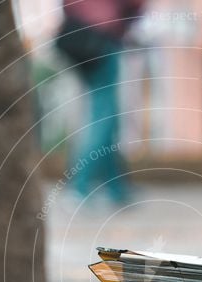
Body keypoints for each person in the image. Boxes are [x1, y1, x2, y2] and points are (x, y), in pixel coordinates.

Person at [57, 0, 146, 204]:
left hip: (78, 34)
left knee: (105, 116)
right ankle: (80, 185)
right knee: (104, 117)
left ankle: (116, 188)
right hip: (101, 36)